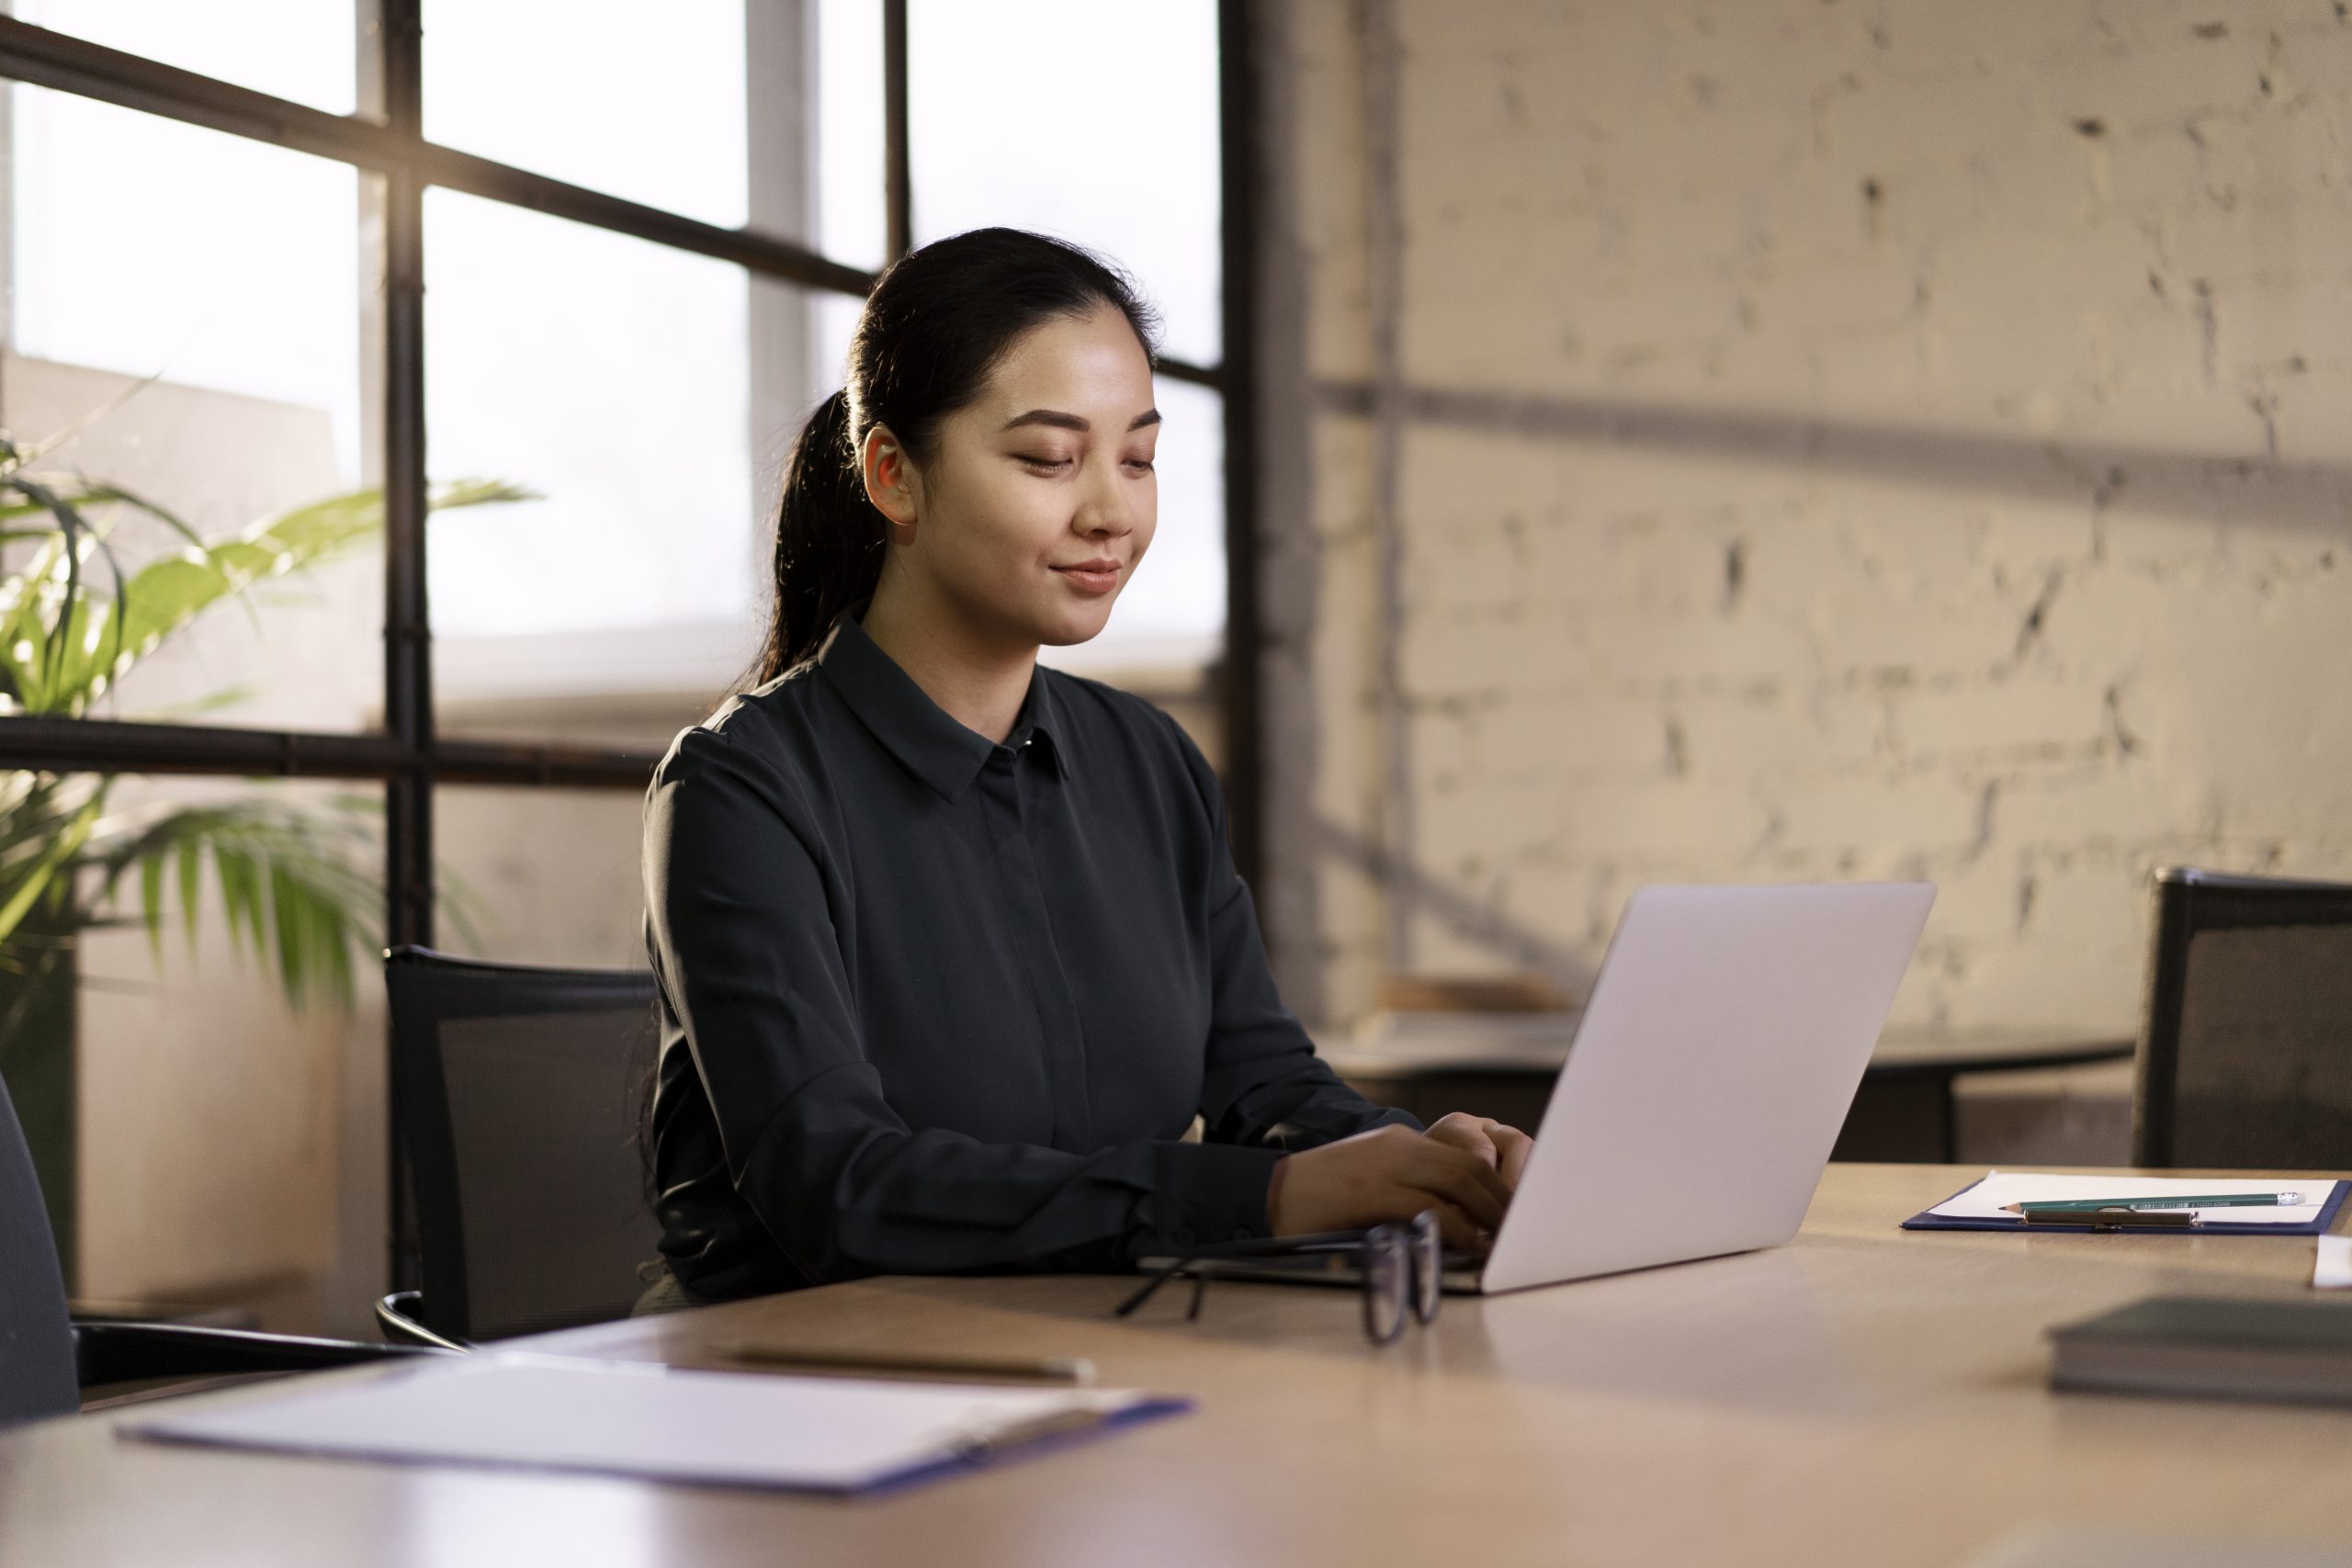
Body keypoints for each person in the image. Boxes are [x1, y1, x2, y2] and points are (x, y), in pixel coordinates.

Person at [637, 227, 1532, 1311]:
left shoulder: (1149, 763)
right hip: (805, 1390)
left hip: (1102, 1348)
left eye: (1138, 458)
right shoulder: (741, 789)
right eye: (1049, 460)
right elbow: (838, 1186)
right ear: (893, 476)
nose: (1110, 511)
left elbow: (1264, 1085)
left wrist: (1429, 1163)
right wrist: (1269, 1198)